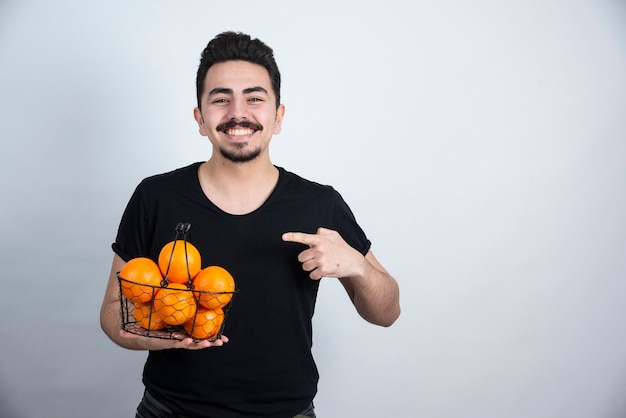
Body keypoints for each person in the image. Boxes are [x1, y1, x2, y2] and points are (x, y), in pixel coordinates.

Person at [100, 31, 400, 418]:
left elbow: (387, 312)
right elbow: (112, 312)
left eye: (255, 98)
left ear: (278, 117)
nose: (237, 113)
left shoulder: (319, 203)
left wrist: (357, 265)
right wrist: (156, 340)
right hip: (168, 410)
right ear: (200, 118)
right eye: (221, 99)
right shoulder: (156, 196)